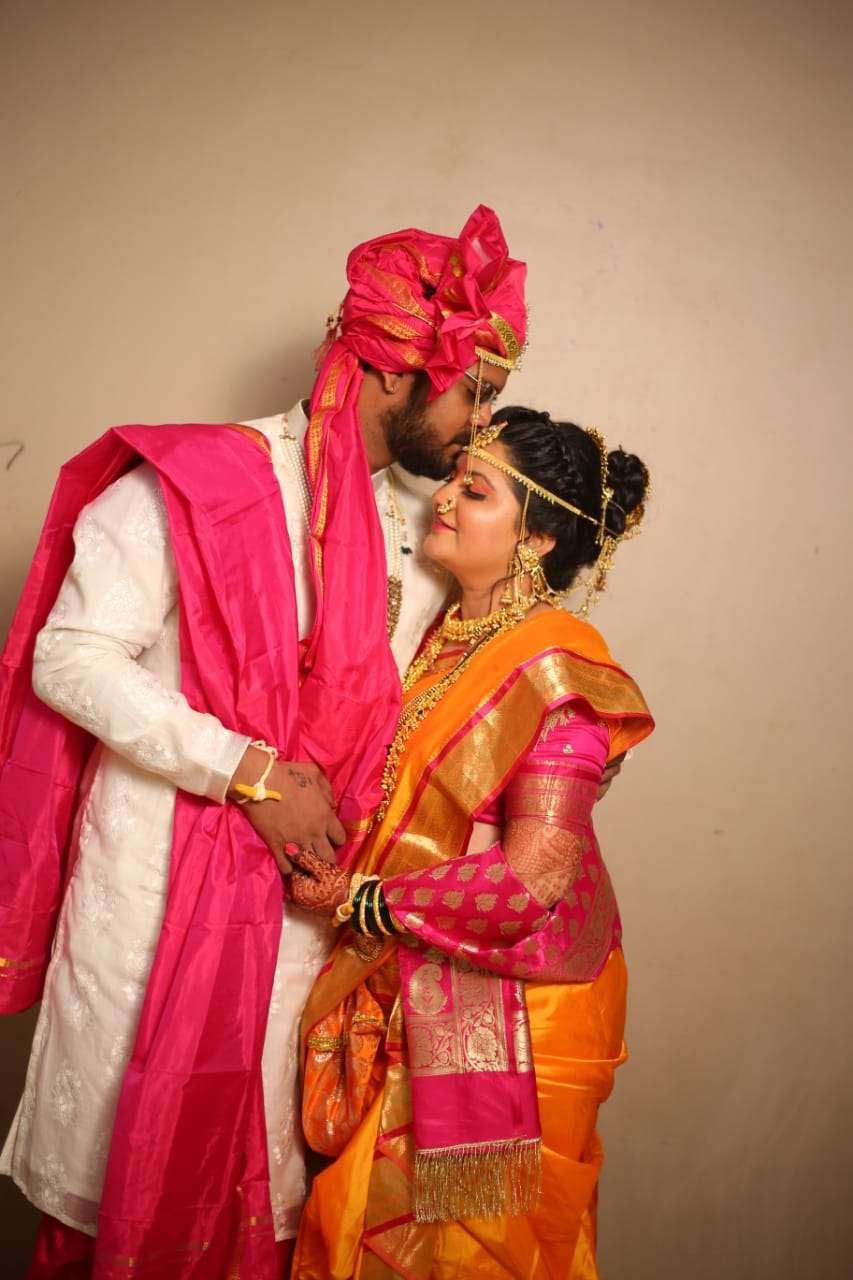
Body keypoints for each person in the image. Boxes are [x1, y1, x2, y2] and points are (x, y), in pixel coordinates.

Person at [0, 208, 527, 1278]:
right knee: (119, 1196)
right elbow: (69, 655)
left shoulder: (421, 532)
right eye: (473, 391)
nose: (481, 423)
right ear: (393, 371)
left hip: (310, 918)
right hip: (152, 904)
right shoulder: (197, 483)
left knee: (271, 1207)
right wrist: (245, 769)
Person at [285, 406, 655, 1280]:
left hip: (516, 1006)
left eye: (475, 490)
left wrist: (360, 899)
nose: (442, 499)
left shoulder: (554, 669)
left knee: (459, 1254)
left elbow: (533, 878)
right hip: (411, 970)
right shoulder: (438, 636)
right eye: (453, 478)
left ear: (536, 540)